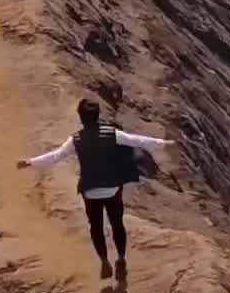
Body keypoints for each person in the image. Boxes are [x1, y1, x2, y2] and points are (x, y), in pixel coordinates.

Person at [17, 98, 173, 281]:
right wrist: (163, 143)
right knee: (117, 224)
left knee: (96, 227)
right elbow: (138, 141)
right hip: (113, 187)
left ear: (81, 118)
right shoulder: (112, 134)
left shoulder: (76, 140)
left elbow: (56, 156)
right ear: (97, 116)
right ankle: (121, 258)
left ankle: (104, 260)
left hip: (90, 190)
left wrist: (30, 162)